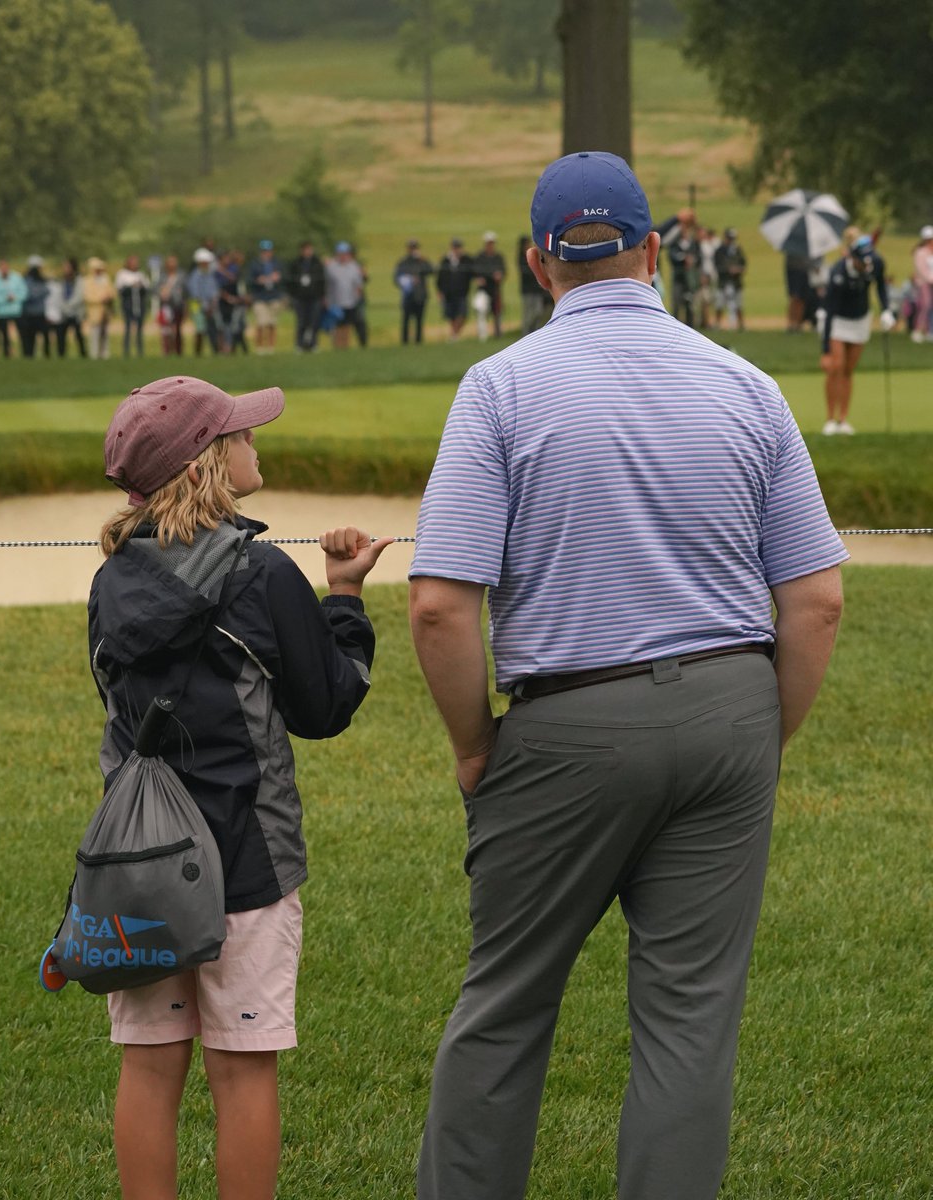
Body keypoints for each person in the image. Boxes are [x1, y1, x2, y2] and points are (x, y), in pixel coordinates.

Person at [409, 150, 847, 1200]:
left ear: (538, 263)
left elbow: (438, 604)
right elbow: (818, 599)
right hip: (734, 702)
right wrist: (758, 735)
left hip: (565, 722)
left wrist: (475, 745)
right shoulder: (746, 383)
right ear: (654, 250)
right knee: (691, 1021)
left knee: (507, 1007)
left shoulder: (501, 386)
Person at [92, 374, 392, 1200]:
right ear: (208, 462)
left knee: (149, 1068)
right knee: (243, 1073)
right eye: (241, 434)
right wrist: (344, 595)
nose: (256, 441)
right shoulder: (260, 574)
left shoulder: (111, 578)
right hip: (248, 864)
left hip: (137, 863)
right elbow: (327, 704)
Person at [819, 228, 895, 435]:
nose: (867, 264)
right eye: (862, 260)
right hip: (838, 321)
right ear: (851, 257)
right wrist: (825, 349)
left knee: (848, 371)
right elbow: (829, 311)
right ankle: (829, 419)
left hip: (861, 319)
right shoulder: (838, 273)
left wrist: (886, 310)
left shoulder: (875, 263)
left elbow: (880, 287)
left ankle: (843, 420)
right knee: (836, 366)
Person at [324, 241, 367, 349]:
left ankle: (348, 346)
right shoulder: (331, 267)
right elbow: (327, 285)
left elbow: (359, 284)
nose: (343, 256)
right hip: (336, 302)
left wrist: (359, 297)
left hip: (352, 301)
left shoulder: (354, 266)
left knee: (350, 325)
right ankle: (338, 347)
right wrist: (327, 299)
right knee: (338, 326)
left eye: (345, 253)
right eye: (341, 253)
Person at [286, 240, 325, 352]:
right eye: (306, 249)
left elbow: (322, 281)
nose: (308, 252)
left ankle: (313, 344)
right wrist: (293, 295)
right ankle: (299, 344)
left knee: (314, 321)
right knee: (301, 321)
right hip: (300, 297)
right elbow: (290, 281)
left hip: (315, 297)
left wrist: (322, 295)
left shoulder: (317, 263)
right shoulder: (295, 264)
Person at [393, 238, 434, 345]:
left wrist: (423, 260)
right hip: (408, 296)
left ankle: (418, 341)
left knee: (419, 320)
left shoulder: (422, 261)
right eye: (411, 248)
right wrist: (408, 280)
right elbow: (397, 278)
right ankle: (405, 342)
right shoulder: (403, 262)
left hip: (420, 295)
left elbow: (431, 270)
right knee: (406, 320)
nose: (413, 250)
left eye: (415, 247)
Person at [248, 239, 283, 354]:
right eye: (264, 251)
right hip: (260, 297)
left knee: (272, 323)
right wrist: (258, 280)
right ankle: (260, 348)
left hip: (274, 296)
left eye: (268, 250)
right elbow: (249, 280)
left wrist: (277, 278)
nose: (266, 253)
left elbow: (285, 278)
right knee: (261, 323)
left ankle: (271, 348)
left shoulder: (276, 263)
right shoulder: (254, 264)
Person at [0, 259, 27, 357]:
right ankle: (7, 353)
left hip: (16, 310)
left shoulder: (17, 278)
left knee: (21, 333)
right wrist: (5, 299)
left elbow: (24, 292)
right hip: (2, 312)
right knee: (4, 335)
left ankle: (25, 353)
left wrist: (15, 298)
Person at [436, 238, 473, 340]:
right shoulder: (445, 260)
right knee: (451, 315)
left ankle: (454, 335)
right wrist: (439, 291)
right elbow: (440, 277)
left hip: (462, 292)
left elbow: (472, 271)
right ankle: (455, 335)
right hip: (448, 293)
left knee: (462, 314)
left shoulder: (466, 260)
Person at [667, 213, 700, 326]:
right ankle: (675, 325)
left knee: (689, 302)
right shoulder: (675, 243)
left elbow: (698, 257)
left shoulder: (693, 244)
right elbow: (672, 256)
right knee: (676, 302)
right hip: (678, 276)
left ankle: (690, 325)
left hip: (689, 277)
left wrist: (692, 260)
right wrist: (683, 259)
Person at [115, 255, 150, 357]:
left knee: (139, 329)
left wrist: (140, 286)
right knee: (127, 328)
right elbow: (120, 290)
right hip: (128, 305)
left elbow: (146, 289)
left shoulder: (141, 274)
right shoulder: (122, 274)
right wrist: (131, 287)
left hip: (139, 304)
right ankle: (126, 351)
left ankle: (140, 351)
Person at [473, 231, 506, 337]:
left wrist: (500, 275)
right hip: (483, 289)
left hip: (495, 289)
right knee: (482, 312)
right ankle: (483, 335)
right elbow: (476, 271)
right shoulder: (480, 257)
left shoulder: (498, 257)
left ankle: (498, 332)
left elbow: (503, 271)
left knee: (497, 311)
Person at [187, 248, 220, 356]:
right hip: (197, 306)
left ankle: (215, 351)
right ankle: (198, 352)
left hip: (210, 305)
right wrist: (205, 306)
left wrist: (212, 304)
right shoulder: (195, 276)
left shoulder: (210, 275)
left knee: (213, 328)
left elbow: (214, 290)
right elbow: (195, 293)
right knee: (200, 329)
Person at [713, 227, 747, 331]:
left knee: (738, 304)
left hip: (736, 282)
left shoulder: (737, 250)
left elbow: (743, 263)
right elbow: (717, 265)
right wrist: (729, 270)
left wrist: (739, 270)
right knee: (719, 303)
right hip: (723, 281)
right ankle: (717, 324)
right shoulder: (719, 250)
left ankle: (741, 325)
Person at [517, 235, 551, 334]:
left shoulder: (531, 256)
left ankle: (534, 332)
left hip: (536, 289)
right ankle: (526, 333)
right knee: (528, 313)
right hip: (527, 289)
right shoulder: (522, 258)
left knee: (537, 311)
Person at [85, 257, 116, 359]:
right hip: (95, 311)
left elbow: (112, 291)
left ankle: (105, 354)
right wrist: (100, 299)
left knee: (105, 334)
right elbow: (87, 296)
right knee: (95, 333)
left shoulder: (105, 278)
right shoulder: (88, 280)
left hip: (105, 311)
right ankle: (94, 355)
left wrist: (109, 296)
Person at [156, 255, 188, 356]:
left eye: (173, 262)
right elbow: (155, 288)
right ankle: (167, 351)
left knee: (177, 329)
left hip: (178, 305)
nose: (172, 264)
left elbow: (186, 291)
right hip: (166, 306)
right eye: (170, 262)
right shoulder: (162, 276)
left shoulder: (181, 276)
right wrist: (162, 292)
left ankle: (178, 351)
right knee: (166, 330)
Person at [909, 224, 933, 343]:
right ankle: (918, 330)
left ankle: (930, 330)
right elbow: (922, 270)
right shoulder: (921, 252)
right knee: (925, 305)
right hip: (924, 283)